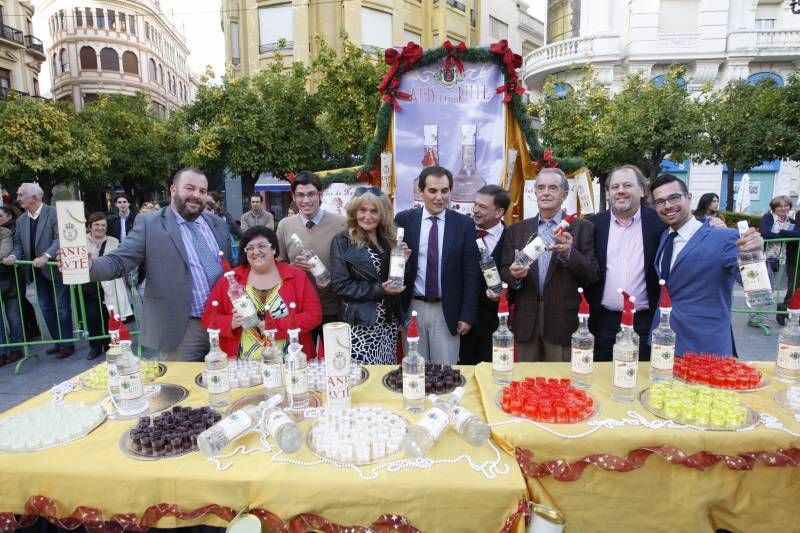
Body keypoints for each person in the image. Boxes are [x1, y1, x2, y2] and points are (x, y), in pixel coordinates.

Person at [85, 168, 233, 361]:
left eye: (202, 191)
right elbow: (120, 260)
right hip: (183, 327)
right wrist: (88, 266)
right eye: (189, 188)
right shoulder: (150, 223)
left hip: (223, 321)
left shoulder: (217, 224)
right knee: (183, 386)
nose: (196, 195)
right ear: (173, 189)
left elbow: (230, 269)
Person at [650, 174, 764, 355]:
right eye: (660, 201)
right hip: (664, 342)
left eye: (674, 197)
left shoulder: (724, 237)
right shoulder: (665, 236)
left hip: (706, 346)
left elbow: (759, 287)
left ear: (689, 198)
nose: (668, 206)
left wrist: (755, 255)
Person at [500, 168, 599, 362]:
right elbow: (505, 271)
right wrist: (515, 276)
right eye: (541, 187)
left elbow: (593, 274)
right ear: (535, 192)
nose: (546, 192)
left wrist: (569, 253)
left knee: (560, 383)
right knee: (524, 381)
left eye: (553, 188)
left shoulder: (583, 229)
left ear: (564, 194)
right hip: (525, 319)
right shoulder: (517, 230)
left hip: (562, 320)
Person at [395, 165, 480, 364]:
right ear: (420, 191)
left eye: (444, 191)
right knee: (415, 371)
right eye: (432, 191)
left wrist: (467, 314)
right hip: (412, 307)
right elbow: (395, 266)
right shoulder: (404, 221)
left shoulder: (464, 225)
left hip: (447, 310)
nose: (439, 197)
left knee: (445, 373)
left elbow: (471, 273)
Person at [586, 165, 667, 361]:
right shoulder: (592, 225)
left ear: (642, 190)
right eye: (615, 187)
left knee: (642, 378)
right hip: (603, 322)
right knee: (601, 379)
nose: (620, 190)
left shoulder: (659, 223)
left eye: (627, 185)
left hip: (645, 322)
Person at [203, 226, 321, 359]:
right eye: (250, 248)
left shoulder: (297, 277)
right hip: (243, 365)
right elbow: (208, 317)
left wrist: (276, 327)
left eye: (262, 246)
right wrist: (231, 322)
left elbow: (314, 315)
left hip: (290, 361)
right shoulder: (230, 280)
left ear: (274, 249)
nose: (256, 251)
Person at [330, 187, 408, 364]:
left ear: (382, 214)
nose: (368, 216)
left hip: (387, 322)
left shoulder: (389, 239)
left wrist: (404, 262)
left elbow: (395, 278)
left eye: (374, 211)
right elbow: (341, 286)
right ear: (354, 212)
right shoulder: (342, 241)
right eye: (362, 210)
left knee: (385, 375)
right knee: (364, 378)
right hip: (362, 325)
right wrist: (380, 290)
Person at [2, 183, 74, 359]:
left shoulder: (54, 213)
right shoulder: (21, 220)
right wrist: (13, 256)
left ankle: (67, 343)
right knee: (46, 308)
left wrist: (46, 256)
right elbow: (18, 245)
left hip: (55, 268)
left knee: (62, 307)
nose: (17, 198)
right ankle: (58, 342)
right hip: (35, 271)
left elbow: (59, 239)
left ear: (34, 197)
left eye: (20, 195)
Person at [276, 171, 346, 339]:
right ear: (293, 196)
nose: (306, 200)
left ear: (320, 195)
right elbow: (278, 265)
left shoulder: (341, 224)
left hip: (332, 306)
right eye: (300, 195)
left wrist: (333, 279)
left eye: (311, 194)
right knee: (303, 359)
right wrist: (292, 268)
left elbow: (349, 265)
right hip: (299, 309)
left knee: (332, 358)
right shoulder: (285, 225)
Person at [459, 184, 508, 365]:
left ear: (499, 212)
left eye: (483, 207)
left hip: (497, 324)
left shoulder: (512, 238)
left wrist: (505, 291)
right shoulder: (463, 233)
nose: (476, 211)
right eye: (476, 205)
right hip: (464, 322)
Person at [759, 195, 800, 325]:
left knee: (785, 287)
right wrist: (783, 234)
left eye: (786, 205)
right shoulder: (768, 217)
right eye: (780, 206)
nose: (783, 208)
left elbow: (797, 234)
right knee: (766, 287)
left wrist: (783, 233)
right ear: (774, 208)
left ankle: (782, 309)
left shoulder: (792, 221)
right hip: (766, 256)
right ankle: (758, 316)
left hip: (783, 259)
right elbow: (765, 233)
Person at [0, 205, 23, 366]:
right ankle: (1, 352)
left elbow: (5, 252)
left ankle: (16, 348)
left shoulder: (5, 232)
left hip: (7, 279)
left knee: (13, 315)